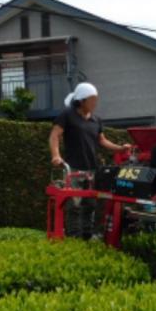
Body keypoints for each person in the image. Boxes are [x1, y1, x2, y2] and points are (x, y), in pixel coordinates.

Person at [49, 82, 131, 239]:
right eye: (92, 99)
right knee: (74, 205)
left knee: (90, 205)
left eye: (96, 99)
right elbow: (54, 136)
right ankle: (74, 238)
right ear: (81, 100)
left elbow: (102, 141)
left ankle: (86, 237)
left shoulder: (96, 120)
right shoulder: (67, 115)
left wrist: (120, 148)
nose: (95, 103)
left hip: (92, 169)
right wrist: (55, 155)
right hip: (73, 169)